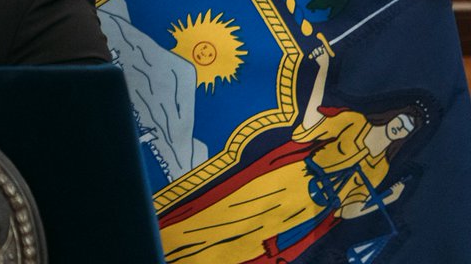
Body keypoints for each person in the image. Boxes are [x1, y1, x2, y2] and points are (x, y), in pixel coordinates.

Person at [158, 48, 422, 263]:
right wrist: (322, 69)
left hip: (308, 211)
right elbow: (309, 124)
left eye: (407, 129)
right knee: (220, 217)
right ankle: (155, 247)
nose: (401, 127)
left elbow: (348, 210)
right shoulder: (355, 122)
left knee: (244, 248)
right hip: (291, 179)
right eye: (402, 120)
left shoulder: (380, 168)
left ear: (404, 136)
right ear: (393, 117)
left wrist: (387, 198)